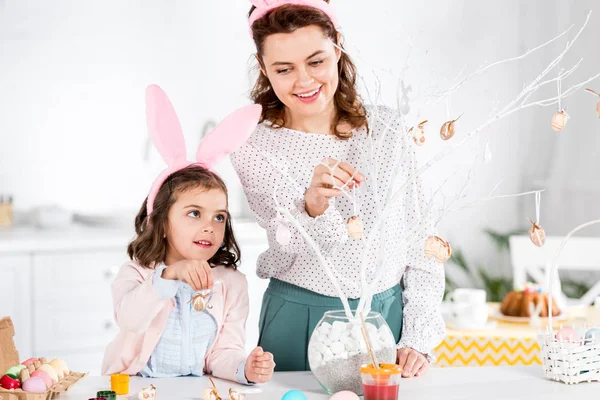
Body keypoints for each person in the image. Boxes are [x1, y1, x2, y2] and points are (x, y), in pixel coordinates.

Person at [231, 0, 445, 377]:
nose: (304, 81)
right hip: (300, 315)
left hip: (387, 315)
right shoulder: (252, 145)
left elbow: (420, 236)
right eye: (284, 69)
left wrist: (418, 335)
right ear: (264, 68)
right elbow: (288, 243)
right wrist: (312, 205)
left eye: (316, 62)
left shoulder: (385, 129)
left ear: (337, 48)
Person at [102, 85, 275, 384]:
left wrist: (243, 368)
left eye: (219, 216)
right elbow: (131, 321)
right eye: (194, 213)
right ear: (162, 222)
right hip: (136, 387)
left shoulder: (230, 285)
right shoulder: (136, 275)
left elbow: (223, 351)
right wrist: (168, 276)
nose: (209, 225)